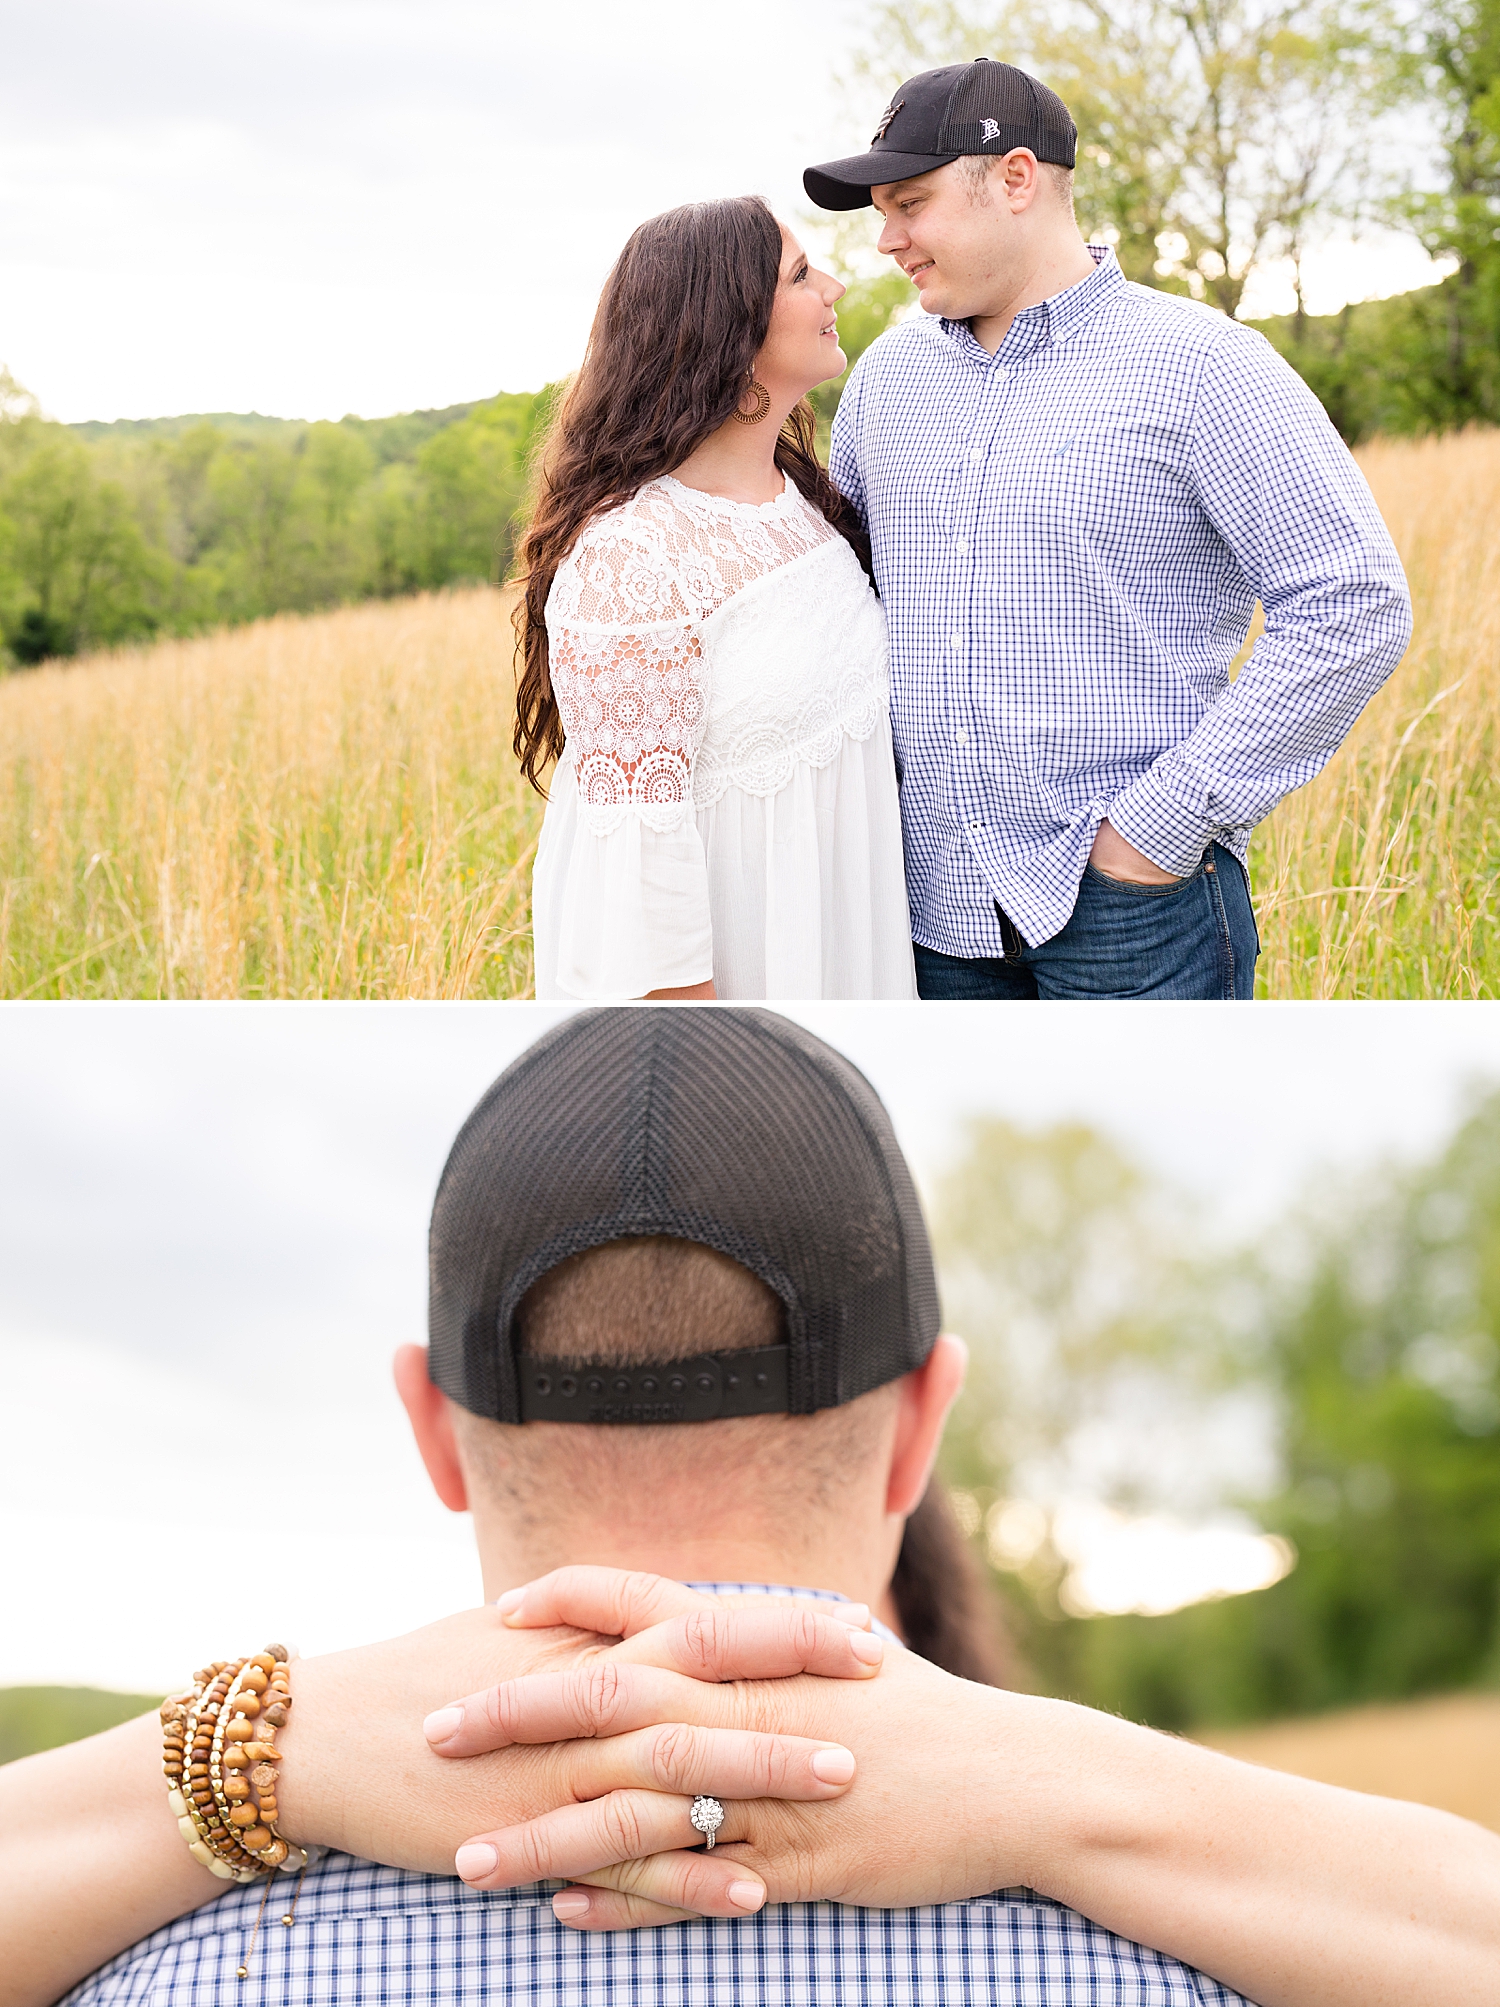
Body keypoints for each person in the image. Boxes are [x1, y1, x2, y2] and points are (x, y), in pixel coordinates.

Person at [9, 1012, 1500, 2007]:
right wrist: (1070, 1785)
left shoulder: (127, 1958)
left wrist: (242, 1746)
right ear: (922, 1420)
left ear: (433, 1423)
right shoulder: (1272, 1956)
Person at [804, 59, 1415, 1000]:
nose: (886, 240)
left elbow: (1352, 602)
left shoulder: (1203, 366)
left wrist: (1159, 826)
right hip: (928, 917)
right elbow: (843, 602)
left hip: (1136, 911)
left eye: (909, 204)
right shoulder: (886, 383)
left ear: (1014, 179)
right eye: (882, 212)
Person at [519, 198, 916, 1001]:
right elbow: (633, 891)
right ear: (727, 331)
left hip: (847, 956)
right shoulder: (632, 559)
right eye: (801, 275)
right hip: (735, 999)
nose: (834, 287)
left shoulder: (807, 507)